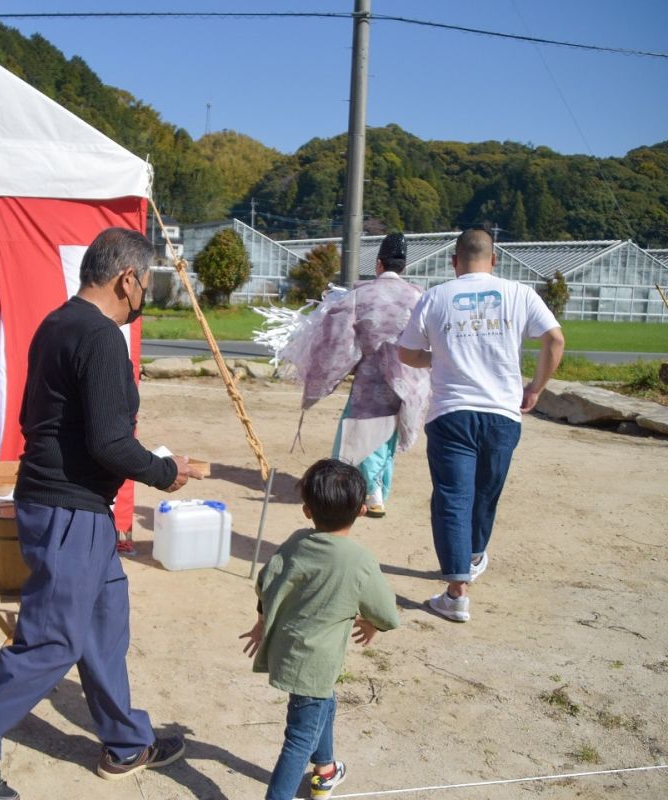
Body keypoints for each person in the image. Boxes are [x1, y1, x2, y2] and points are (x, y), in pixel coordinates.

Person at [0, 228, 203, 800]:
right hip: (68, 511)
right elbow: (110, 441)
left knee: (105, 625)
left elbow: (70, 426)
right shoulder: (101, 337)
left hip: (76, 509)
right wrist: (165, 471)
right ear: (127, 279)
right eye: (146, 283)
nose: (145, 295)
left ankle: (125, 743)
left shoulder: (58, 322)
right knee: (52, 641)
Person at [398, 228, 564, 622]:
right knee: (486, 493)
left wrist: (437, 358)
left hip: (451, 413)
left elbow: (407, 351)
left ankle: (457, 593)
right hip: (503, 413)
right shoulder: (520, 293)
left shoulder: (436, 296)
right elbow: (555, 340)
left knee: (453, 498)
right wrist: (536, 389)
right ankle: (471, 555)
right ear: (494, 260)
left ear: (454, 261)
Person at [239, 458, 399, 800]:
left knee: (324, 703)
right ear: (361, 511)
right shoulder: (360, 561)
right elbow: (388, 613)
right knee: (299, 738)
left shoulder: (297, 542)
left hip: (291, 650)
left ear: (307, 511)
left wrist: (261, 621)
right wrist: (372, 623)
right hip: (315, 664)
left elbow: (266, 582)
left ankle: (325, 769)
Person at [291, 233, 429, 518]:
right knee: (385, 435)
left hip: (371, 378)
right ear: (403, 266)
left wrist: (324, 378)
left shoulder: (361, 296)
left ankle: (370, 494)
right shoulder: (419, 298)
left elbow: (339, 343)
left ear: (379, 264)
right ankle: (374, 489)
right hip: (409, 376)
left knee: (362, 434)